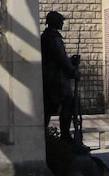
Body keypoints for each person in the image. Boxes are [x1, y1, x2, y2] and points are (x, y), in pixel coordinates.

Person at [43, 11, 79, 141]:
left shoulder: (48, 36)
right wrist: (73, 71)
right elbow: (60, 58)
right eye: (61, 21)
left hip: (51, 77)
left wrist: (71, 61)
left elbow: (59, 58)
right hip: (55, 79)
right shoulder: (53, 37)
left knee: (47, 108)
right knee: (68, 101)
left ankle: (53, 135)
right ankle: (65, 135)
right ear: (55, 22)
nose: (63, 23)